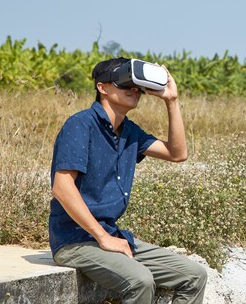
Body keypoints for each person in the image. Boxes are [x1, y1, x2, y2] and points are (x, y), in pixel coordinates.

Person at [49, 57, 207, 304]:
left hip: (112, 235)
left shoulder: (130, 131)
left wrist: (171, 100)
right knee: (140, 280)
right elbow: (62, 187)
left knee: (194, 275)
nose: (134, 90)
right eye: (124, 83)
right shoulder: (80, 125)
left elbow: (177, 154)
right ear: (102, 87)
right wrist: (102, 237)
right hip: (75, 241)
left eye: (137, 86)